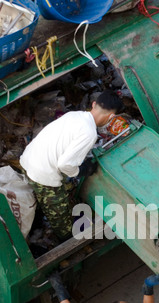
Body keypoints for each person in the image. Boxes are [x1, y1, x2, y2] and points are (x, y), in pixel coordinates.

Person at [20, 90, 124, 241]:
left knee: (42, 198)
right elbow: (65, 164)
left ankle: (39, 218)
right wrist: (81, 170)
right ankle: (65, 244)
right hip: (42, 175)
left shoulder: (73, 115)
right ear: (112, 117)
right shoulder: (89, 133)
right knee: (63, 223)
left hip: (27, 161)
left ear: (94, 104)